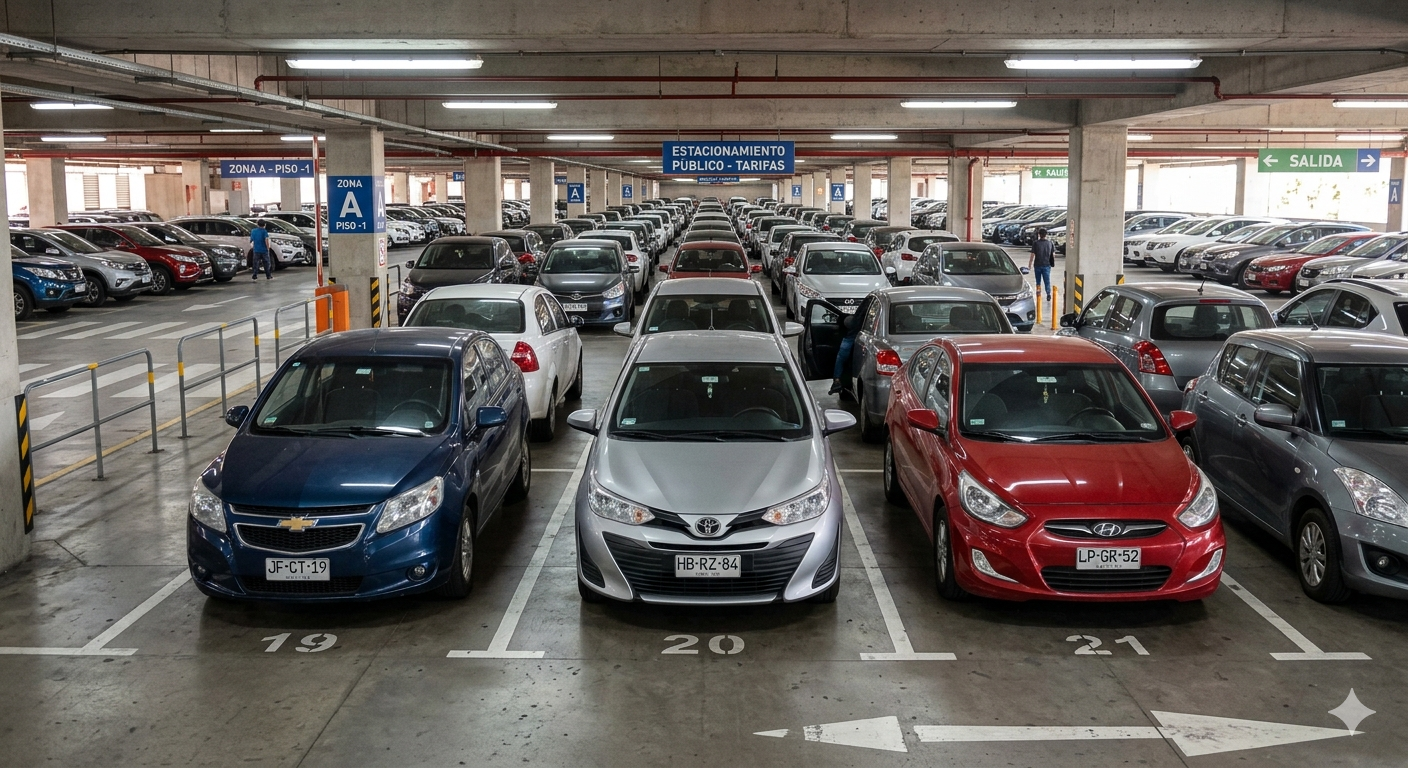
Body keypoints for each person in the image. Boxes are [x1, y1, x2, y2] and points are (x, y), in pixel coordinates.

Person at [829, 308, 862, 395]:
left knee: (840, 358)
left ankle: (837, 380)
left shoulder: (856, 317)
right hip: (857, 337)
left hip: (850, 337)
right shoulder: (863, 315)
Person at [1028, 228, 1054, 300]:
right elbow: (1053, 255)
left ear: (1039, 234)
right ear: (1046, 235)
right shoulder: (1050, 243)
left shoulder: (1036, 243)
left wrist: (1030, 264)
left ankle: (1038, 292)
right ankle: (1048, 293)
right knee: (1047, 280)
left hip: (1037, 265)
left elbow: (1032, 254)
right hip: (1047, 265)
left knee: (1038, 280)